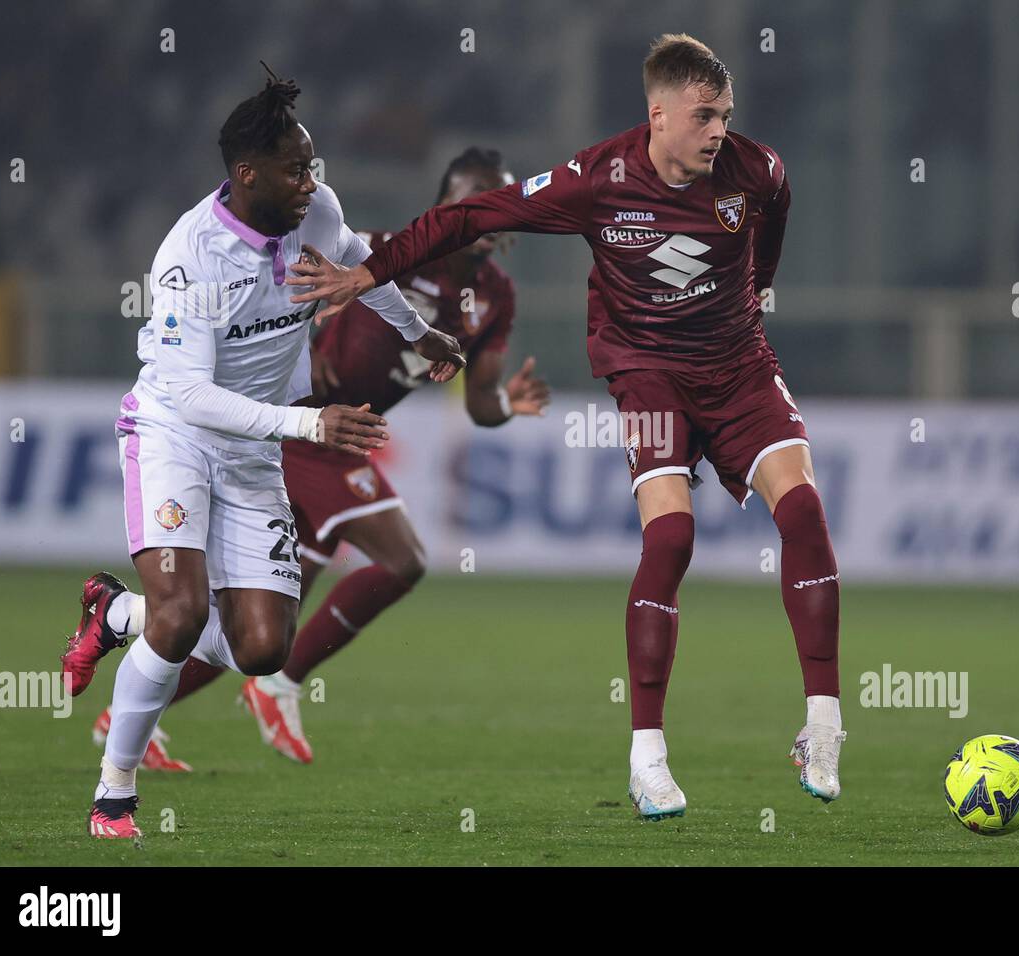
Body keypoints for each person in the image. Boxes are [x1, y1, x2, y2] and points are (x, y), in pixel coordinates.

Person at [286, 35, 846, 821]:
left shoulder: (758, 172)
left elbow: (773, 223)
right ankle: (647, 757)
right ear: (659, 114)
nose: (719, 129)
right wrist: (368, 273)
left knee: (806, 513)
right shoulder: (597, 179)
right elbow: (474, 213)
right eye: (704, 115)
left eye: (725, 114)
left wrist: (755, 293)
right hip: (649, 372)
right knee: (671, 542)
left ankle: (824, 725)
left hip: (740, 366)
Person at [62, 67, 464, 838]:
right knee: (181, 618)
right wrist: (310, 425)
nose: (310, 181)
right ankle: (114, 793)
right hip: (177, 436)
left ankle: (117, 614)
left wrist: (420, 330)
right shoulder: (190, 260)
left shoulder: (318, 211)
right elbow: (191, 395)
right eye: (295, 167)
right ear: (248, 174)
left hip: (252, 454)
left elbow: (354, 269)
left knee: (259, 647)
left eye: (311, 164)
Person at [90, 148, 550, 768]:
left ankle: (128, 698)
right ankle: (275, 687)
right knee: (403, 557)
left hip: (338, 434)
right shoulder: (385, 248)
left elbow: (482, 402)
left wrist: (506, 403)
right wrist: (308, 338)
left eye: (494, 205)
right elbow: (283, 286)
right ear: (444, 206)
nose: (483, 218)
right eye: (470, 203)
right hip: (306, 428)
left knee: (258, 628)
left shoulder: (495, 296)